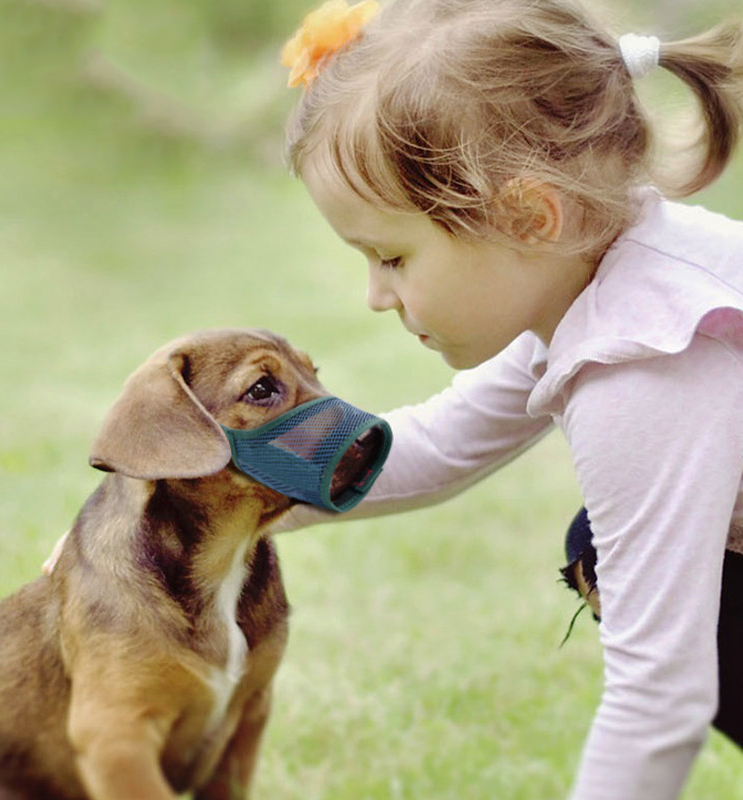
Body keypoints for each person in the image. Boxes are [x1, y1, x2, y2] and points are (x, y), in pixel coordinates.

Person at [275, 0, 743, 797]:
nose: (374, 297)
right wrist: (204, 497)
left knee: (603, 544)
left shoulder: (645, 360)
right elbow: (428, 446)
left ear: (527, 216)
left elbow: (657, 694)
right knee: (595, 539)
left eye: (391, 257)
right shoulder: (605, 275)